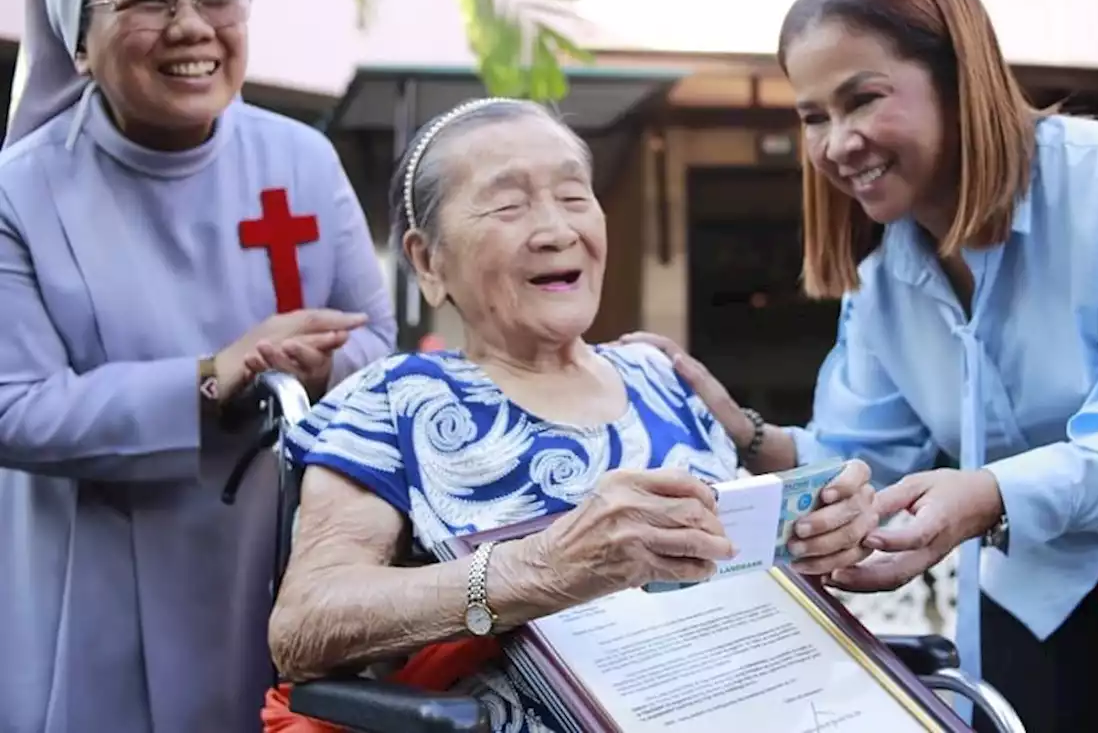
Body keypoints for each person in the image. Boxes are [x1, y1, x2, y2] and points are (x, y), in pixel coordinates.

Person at [625, 0, 1098, 733]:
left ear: (955, 76)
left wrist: (987, 496)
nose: (838, 143)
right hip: (1045, 577)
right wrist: (742, 430)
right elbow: (859, 459)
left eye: (862, 99)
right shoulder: (885, 285)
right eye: (812, 117)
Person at [262, 97, 880, 733]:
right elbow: (307, 621)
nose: (557, 230)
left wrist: (817, 538)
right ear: (427, 260)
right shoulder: (394, 399)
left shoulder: (661, 377)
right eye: (508, 205)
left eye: (575, 196)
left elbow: (737, 574)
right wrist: (546, 568)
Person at [0, 0, 395, 731]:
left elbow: (384, 352)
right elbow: (15, 409)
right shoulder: (21, 193)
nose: (192, 26)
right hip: (96, 570)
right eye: (149, 1)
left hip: (279, 561)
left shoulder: (302, 159)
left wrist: (324, 365)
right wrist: (212, 377)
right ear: (77, 41)